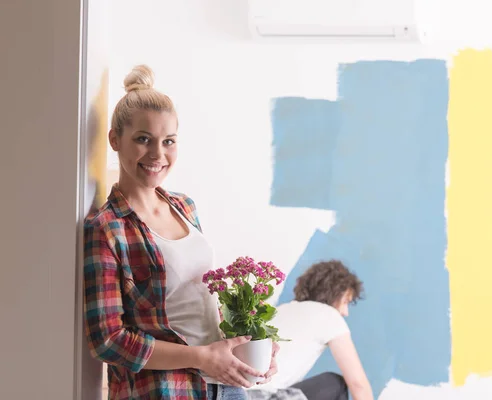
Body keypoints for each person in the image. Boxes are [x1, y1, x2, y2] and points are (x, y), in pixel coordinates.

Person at [83, 65, 277, 400]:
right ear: (115, 139)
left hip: (226, 383)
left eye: (168, 141)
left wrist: (253, 343)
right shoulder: (107, 227)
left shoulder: (184, 207)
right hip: (167, 390)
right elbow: (109, 340)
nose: (158, 154)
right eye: (143, 139)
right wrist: (199, 357)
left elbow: (198, 302)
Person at [247, 260, 373, 400]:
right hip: (263, 397)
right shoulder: (330, 315)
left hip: (236, 394)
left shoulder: (279, 310)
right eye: (346, 302)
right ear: (335, 293)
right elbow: (358, 385)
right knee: (336, 383)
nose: (345, 312)